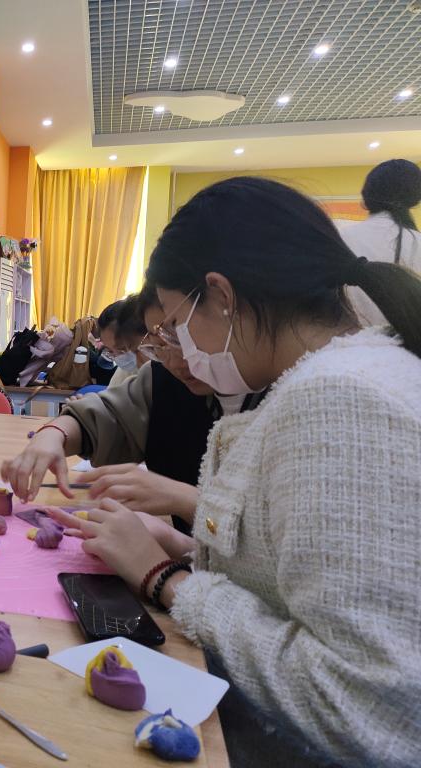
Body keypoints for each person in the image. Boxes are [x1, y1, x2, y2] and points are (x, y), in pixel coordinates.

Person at [51, 177, 421, 768]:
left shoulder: (340, 400)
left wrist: (165, 579)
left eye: (177, 324)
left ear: (220, 295)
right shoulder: (341, 379)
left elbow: (370, 710)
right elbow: (298, 579)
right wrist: (189, 545)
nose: (176, 349)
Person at [2, 284, 265, 532]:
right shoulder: (164, 378)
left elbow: (263, 540)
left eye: (179, 337)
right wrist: (54, 433)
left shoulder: (279, 404)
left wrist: (182, 502)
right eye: (158, 346)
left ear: (226, 304)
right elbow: (110, 415)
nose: (173, 360)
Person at [339, 158, 421, 326]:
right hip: (412, 340)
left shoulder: (339, 238)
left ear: (366, 197)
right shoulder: (416, 242)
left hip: (347, 338)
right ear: (415, 198)